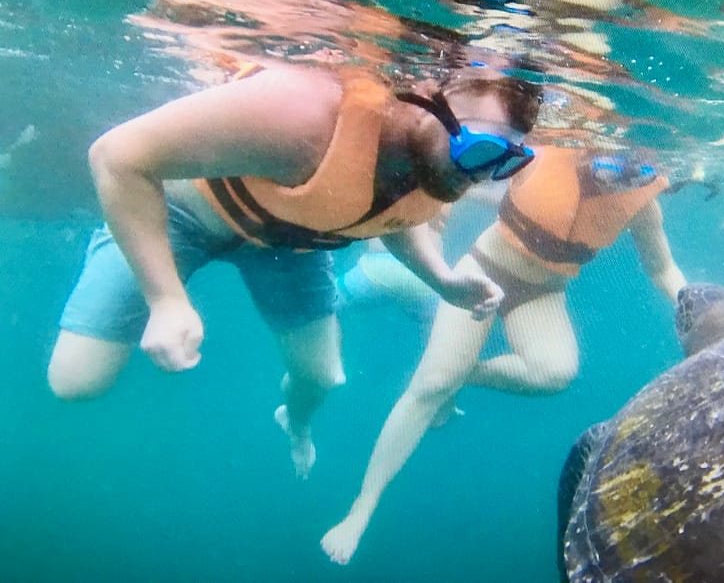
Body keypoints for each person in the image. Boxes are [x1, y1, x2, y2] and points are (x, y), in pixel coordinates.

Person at [47, 62, 542, 478]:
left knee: (322, 377)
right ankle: (124, 242)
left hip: (290, 244)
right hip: (185, 217)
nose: (481, 176)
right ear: (430, 100)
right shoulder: (304, 111)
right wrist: (165, 299)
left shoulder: (434, 159)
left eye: (507, 163)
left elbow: (389, 213)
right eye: (480, 151)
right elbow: (116, 156)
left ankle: (295, 424)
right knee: (76, 380)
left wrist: (442, 279)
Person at [321, 144, 687, 564]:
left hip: (543, 292)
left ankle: (463, 373)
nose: (613, 181)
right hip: (484, 270)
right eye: (606, 167)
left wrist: (694, 302)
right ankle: (361, 509)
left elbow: (661, 268)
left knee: (554, 372)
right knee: (430, 387)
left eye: (632, 175)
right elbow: (462, 171)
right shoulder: (546, 152)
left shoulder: (641, 204)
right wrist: (431, 230)